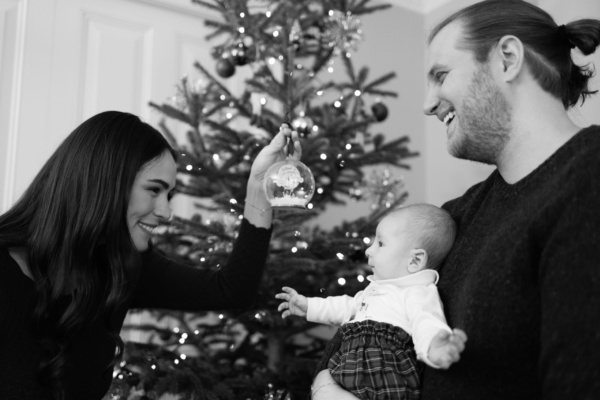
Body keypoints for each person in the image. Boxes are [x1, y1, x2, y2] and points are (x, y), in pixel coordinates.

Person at [310, 1, 600, 399]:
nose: (428, 104)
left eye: (441, 75)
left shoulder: (587, 183)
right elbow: (357, 332)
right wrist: (325, 386)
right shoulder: (458, 214)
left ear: (508, 59)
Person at [0, 111, 300, 400]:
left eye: (168, 195)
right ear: (103, 183)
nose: (166, 212)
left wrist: (259, 189)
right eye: (154, 190)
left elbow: (233, 289)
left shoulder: (124, 265)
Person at [277, 204, 467, 400]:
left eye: (381, 244)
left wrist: (435, 348)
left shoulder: (417, 292)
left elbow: (426, 322)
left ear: (414, 261)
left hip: (383, 372)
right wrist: (309, 306)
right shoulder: (374, 290)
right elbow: (346, 307)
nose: (368, 250)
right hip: (346, 369)